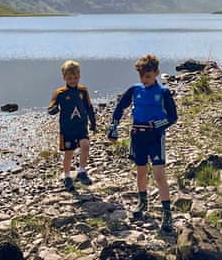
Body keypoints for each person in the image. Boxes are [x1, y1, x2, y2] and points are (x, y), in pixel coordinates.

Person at [107, 53, 178, 231]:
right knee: (140, 172)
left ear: (156, 73)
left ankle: (167, 213)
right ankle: (142, 202)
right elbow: (120, 107)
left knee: (159, 174)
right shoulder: (135, 90)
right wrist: (113, 127)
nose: (144, 79)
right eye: (141, 76)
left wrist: (158, 124)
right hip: (137, 135)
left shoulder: (163, 92)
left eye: (147, 76)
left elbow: (173, 117)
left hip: (155, 137)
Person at [48, 60, 96, 191]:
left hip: (81, 125)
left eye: (75, 77)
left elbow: (89, 107)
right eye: (69, 78)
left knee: (85, 145)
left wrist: (93, 122)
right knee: (69, 153)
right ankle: (67, 176)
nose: (72, 80)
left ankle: (81, 171)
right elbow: (51, 106)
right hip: (67, 128)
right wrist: (53, 110)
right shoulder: (60, 92)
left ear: (79, 76)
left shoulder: (83, 91)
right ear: (64, 77)